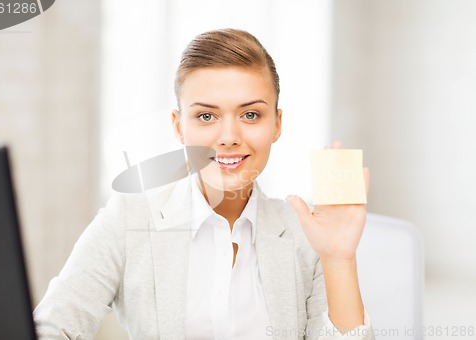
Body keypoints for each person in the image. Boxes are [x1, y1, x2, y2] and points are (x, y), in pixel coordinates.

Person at [34, 28, 374, 339]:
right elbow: (52, 326)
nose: (228, 137)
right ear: (179, 126)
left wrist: (338, 260)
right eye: (206, 116)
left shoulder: (304, 236)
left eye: (251, 114)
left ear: (277, 124)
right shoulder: (130, 217)